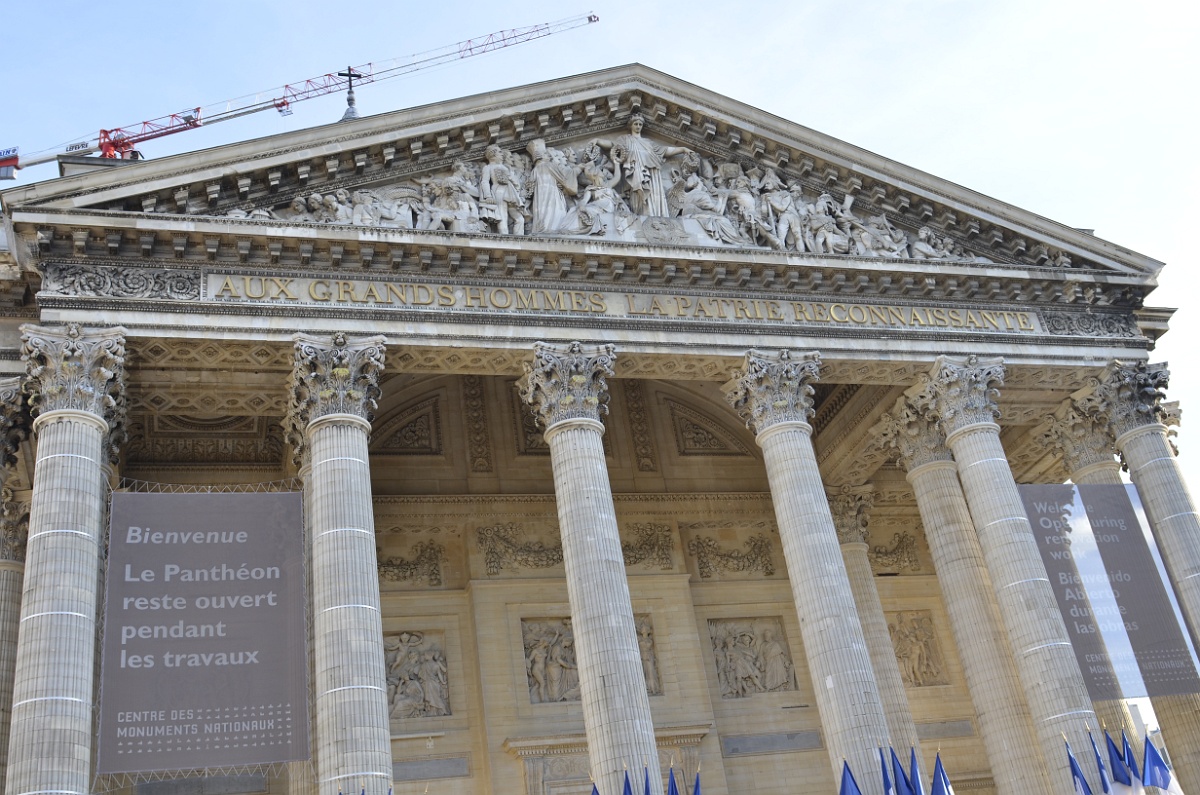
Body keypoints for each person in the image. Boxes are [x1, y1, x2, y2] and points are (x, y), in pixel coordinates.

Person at [590, 114, 692, 217]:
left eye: (640, 124)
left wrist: (683, 149)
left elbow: (665, 150)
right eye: (636, 124)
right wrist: (598, 141)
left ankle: (657, 217)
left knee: (654, 197)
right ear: (631, 126)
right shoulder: (625, 140)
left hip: (652, 175)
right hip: (635, 173)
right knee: (639, 197)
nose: (638, 126)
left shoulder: (649, 143)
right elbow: (612, 145)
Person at [526, 138, 580, 234]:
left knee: (543, 217)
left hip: (539, 202)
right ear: (542, 156)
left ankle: (543, 229)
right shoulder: (549, 165)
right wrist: (578, 168)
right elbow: (565, 179)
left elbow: (529, 188)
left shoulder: (534, 170)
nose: (550, 157)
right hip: (553, 197)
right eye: (547, 154)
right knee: (554, 217)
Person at [479, 145, 526, 235]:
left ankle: (519, 238)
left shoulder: (506, 167)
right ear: (493, 154)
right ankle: (505, 238)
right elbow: (484, 182)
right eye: (499, 152)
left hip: (511, 193)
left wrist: (518, 193)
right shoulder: (488, 167)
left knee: (520, 218)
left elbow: (515, 182)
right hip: (498, 192)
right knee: (502, 217)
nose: (502, 154)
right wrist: (488, 196)